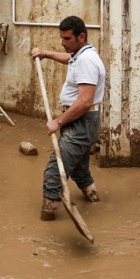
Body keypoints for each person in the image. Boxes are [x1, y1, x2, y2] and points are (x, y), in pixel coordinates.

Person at [31, 16, 105, 221]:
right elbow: (69, 59)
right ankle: (94, 197)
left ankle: (48, 216)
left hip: (82, 121)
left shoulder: (87, 62)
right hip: (83, 121)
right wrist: (46, 54)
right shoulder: (81, 54)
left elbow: (84, 102)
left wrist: (58, 122)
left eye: (67, 39)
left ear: (81, 37)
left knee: (55, 170)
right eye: (61, 38)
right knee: (80, 169)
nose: (63, 43)